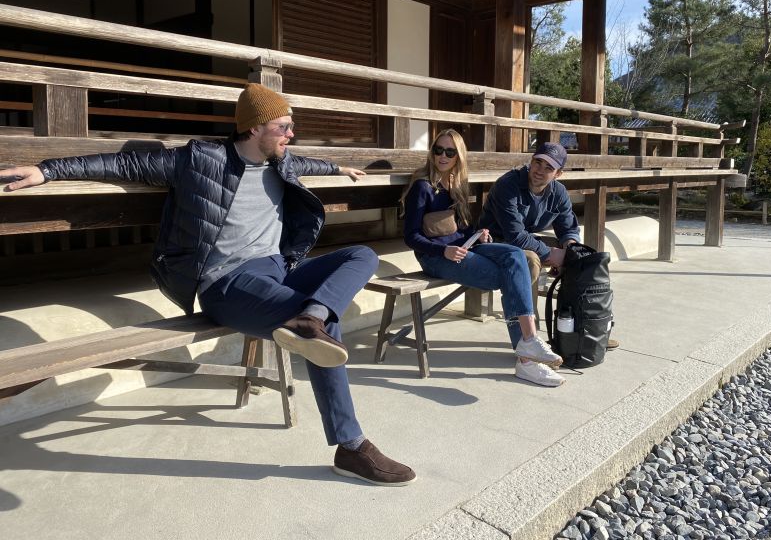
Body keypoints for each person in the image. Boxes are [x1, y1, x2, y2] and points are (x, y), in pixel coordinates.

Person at [0, 83, 416, 486]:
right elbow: (122, 164)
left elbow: (306, 163)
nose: (292, 135)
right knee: (329, 329)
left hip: (280, 271)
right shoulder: (200, 160)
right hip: (227, 284)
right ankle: (351, 445)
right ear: (254, 128)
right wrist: (47, 169)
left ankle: (312, 316)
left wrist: (338, 168)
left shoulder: (280, 159)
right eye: (284, 127)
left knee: (361, 256)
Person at [401, 129, 565, 387]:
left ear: (458, 156)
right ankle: (527, 359)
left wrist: (477, 234)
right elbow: (410, 236)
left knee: (515, 256)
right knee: (513, 275)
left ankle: (529, 345)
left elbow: (461, 229)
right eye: (438, 150)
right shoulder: (423, 187)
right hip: (435, 258)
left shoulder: (455, 185)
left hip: (465, 248)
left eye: (450, 152)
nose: (442, 156)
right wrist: (442, 251)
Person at [478, 141, 619, 351]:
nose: (539, 170)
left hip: (524, 240)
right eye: (538, 162)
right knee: (529, 260)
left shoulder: (558, 192)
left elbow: (568, 228)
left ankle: (584, 329)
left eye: (548, 167)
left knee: (581, 258)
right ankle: (529, 338)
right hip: (493, 242)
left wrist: (568, 251)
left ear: (558, 173)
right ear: (531, 161)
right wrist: (550, 254)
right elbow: (515, 235)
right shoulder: (508, 185)